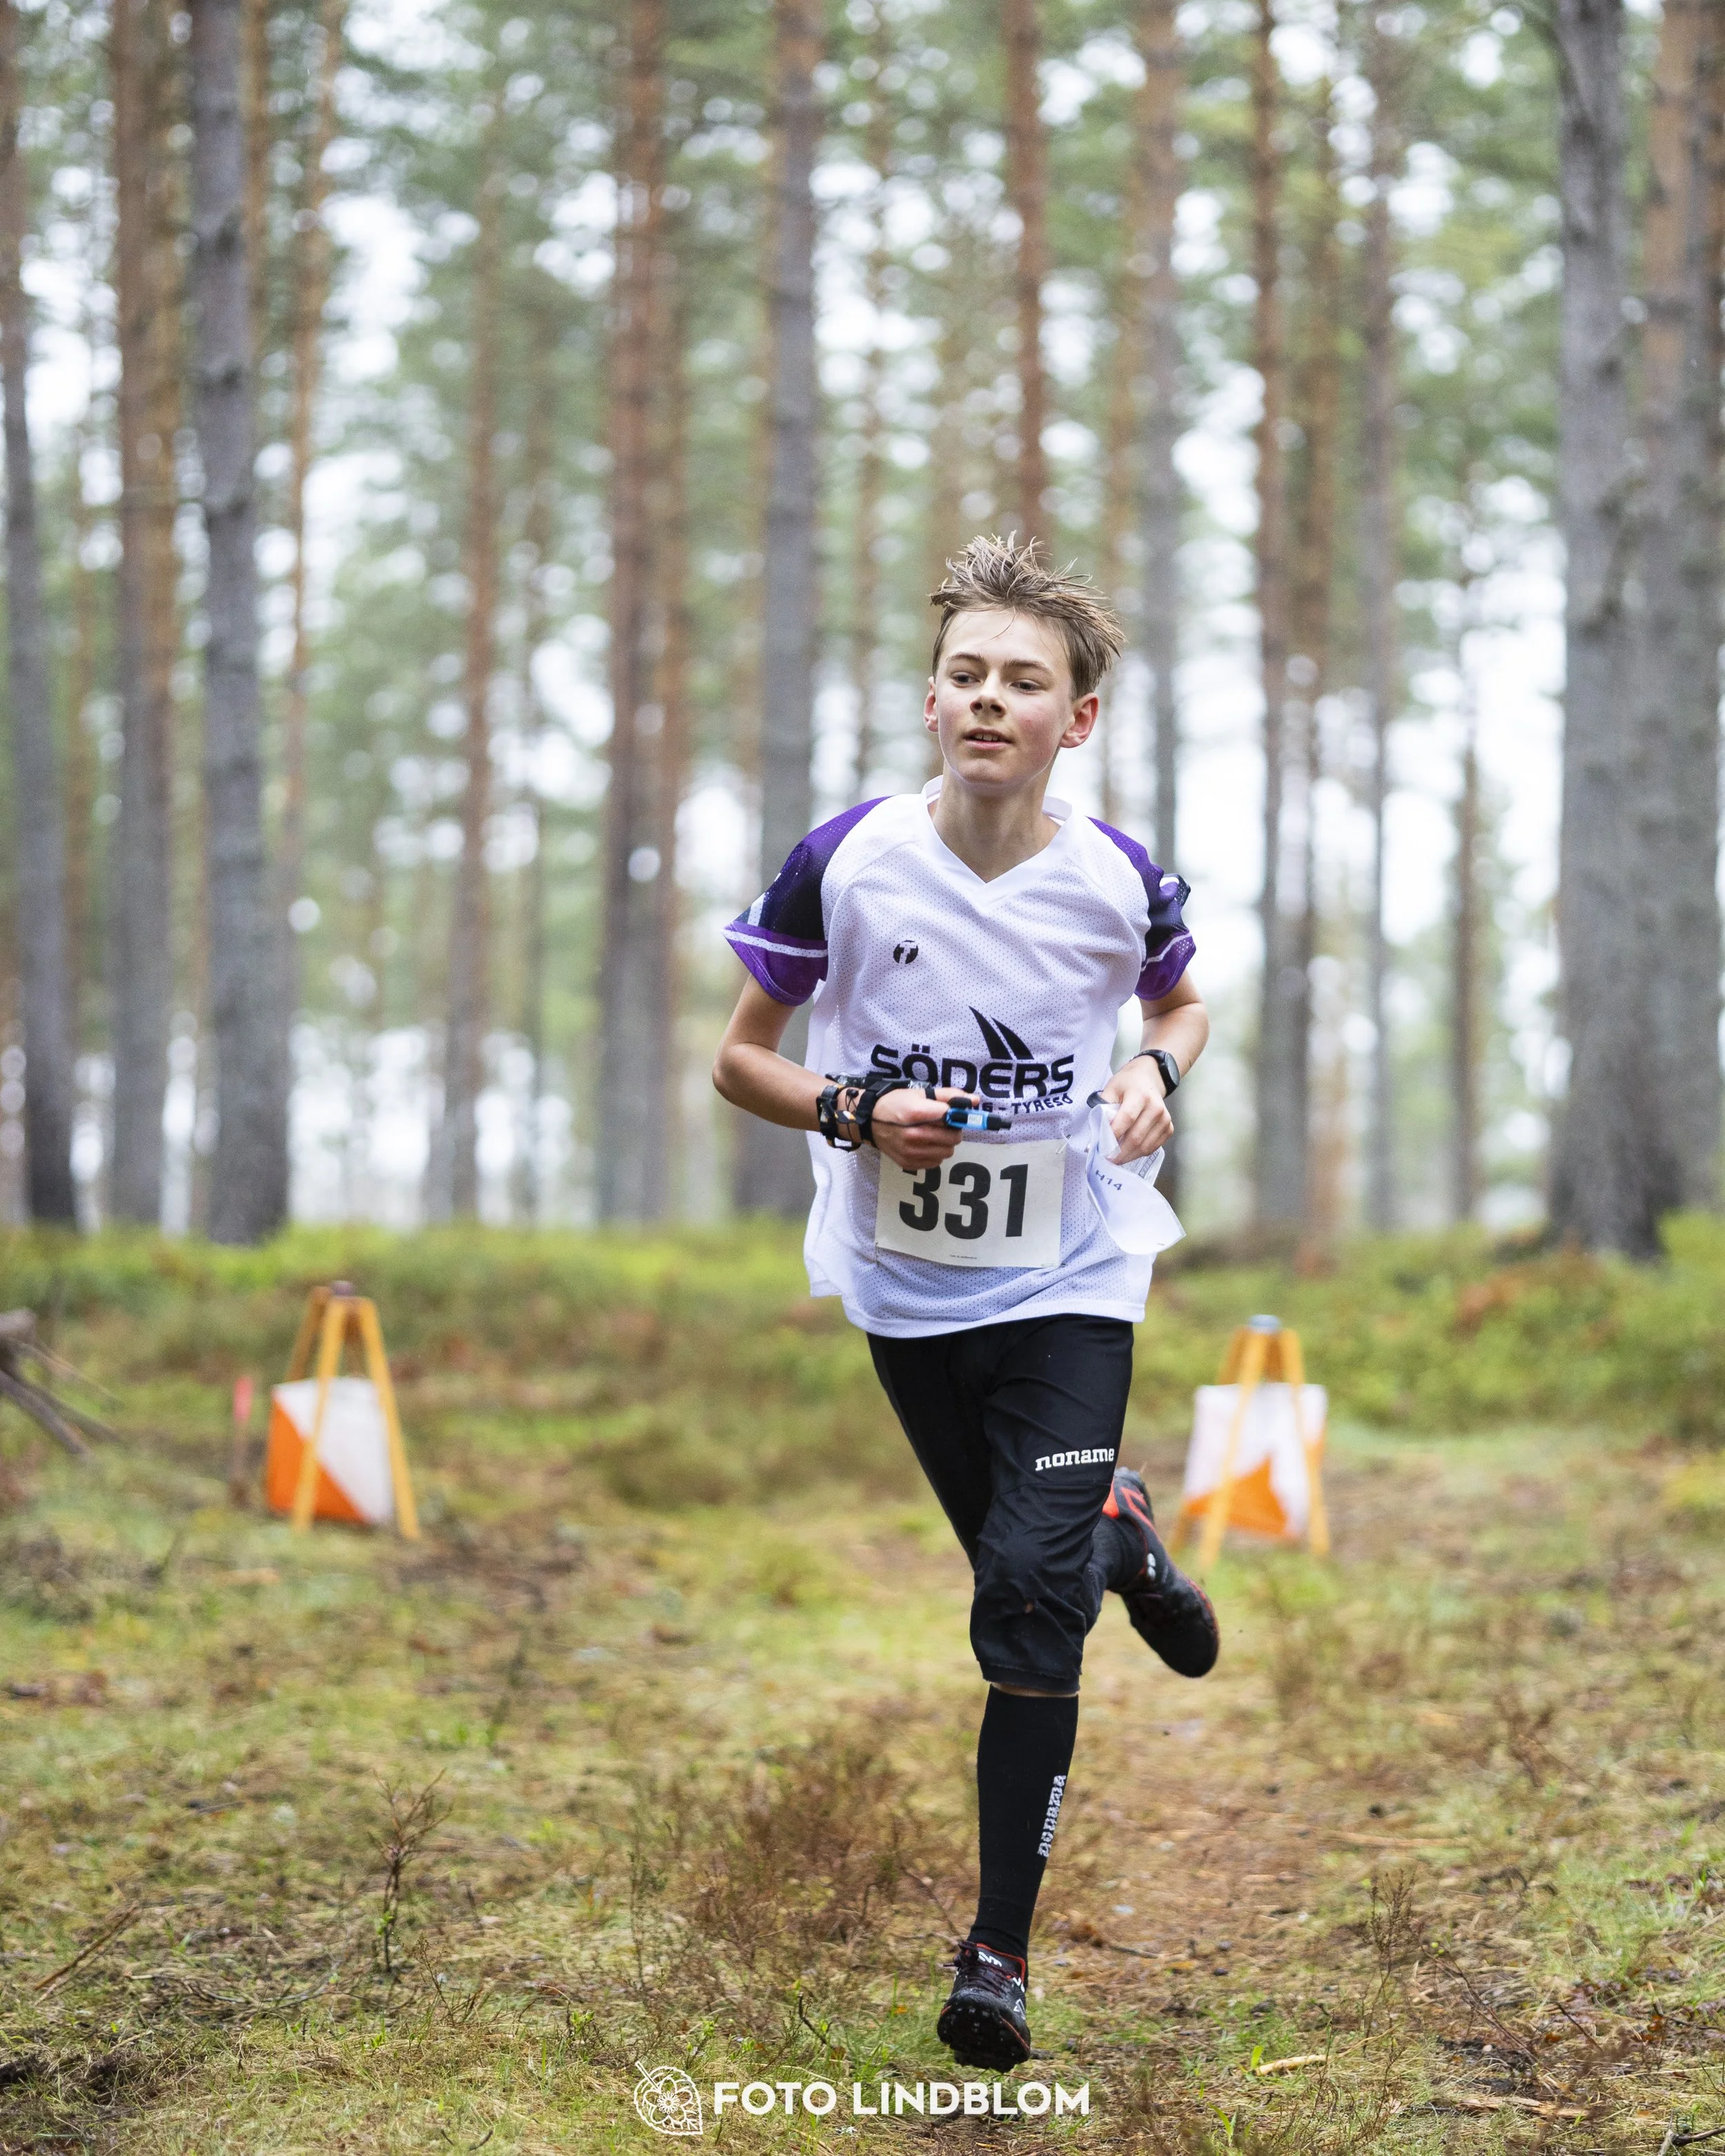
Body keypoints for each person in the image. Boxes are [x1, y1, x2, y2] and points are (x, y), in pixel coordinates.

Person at [712, 534, 1217, 2072]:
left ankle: (996, 1949)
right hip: (907, 1285)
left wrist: (1150, 1070)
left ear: (1073, 719)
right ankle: (1117, 1527)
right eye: (964, 674)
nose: (988, 698)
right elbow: (741, 1056)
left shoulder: (1114, 873)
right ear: (929, 700)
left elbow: (1179, 1002)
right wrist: (852, 1114)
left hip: (1074, 1272)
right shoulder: (848, 858)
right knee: (1043, 1561)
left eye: (1024, 680)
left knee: (1016, 1598)